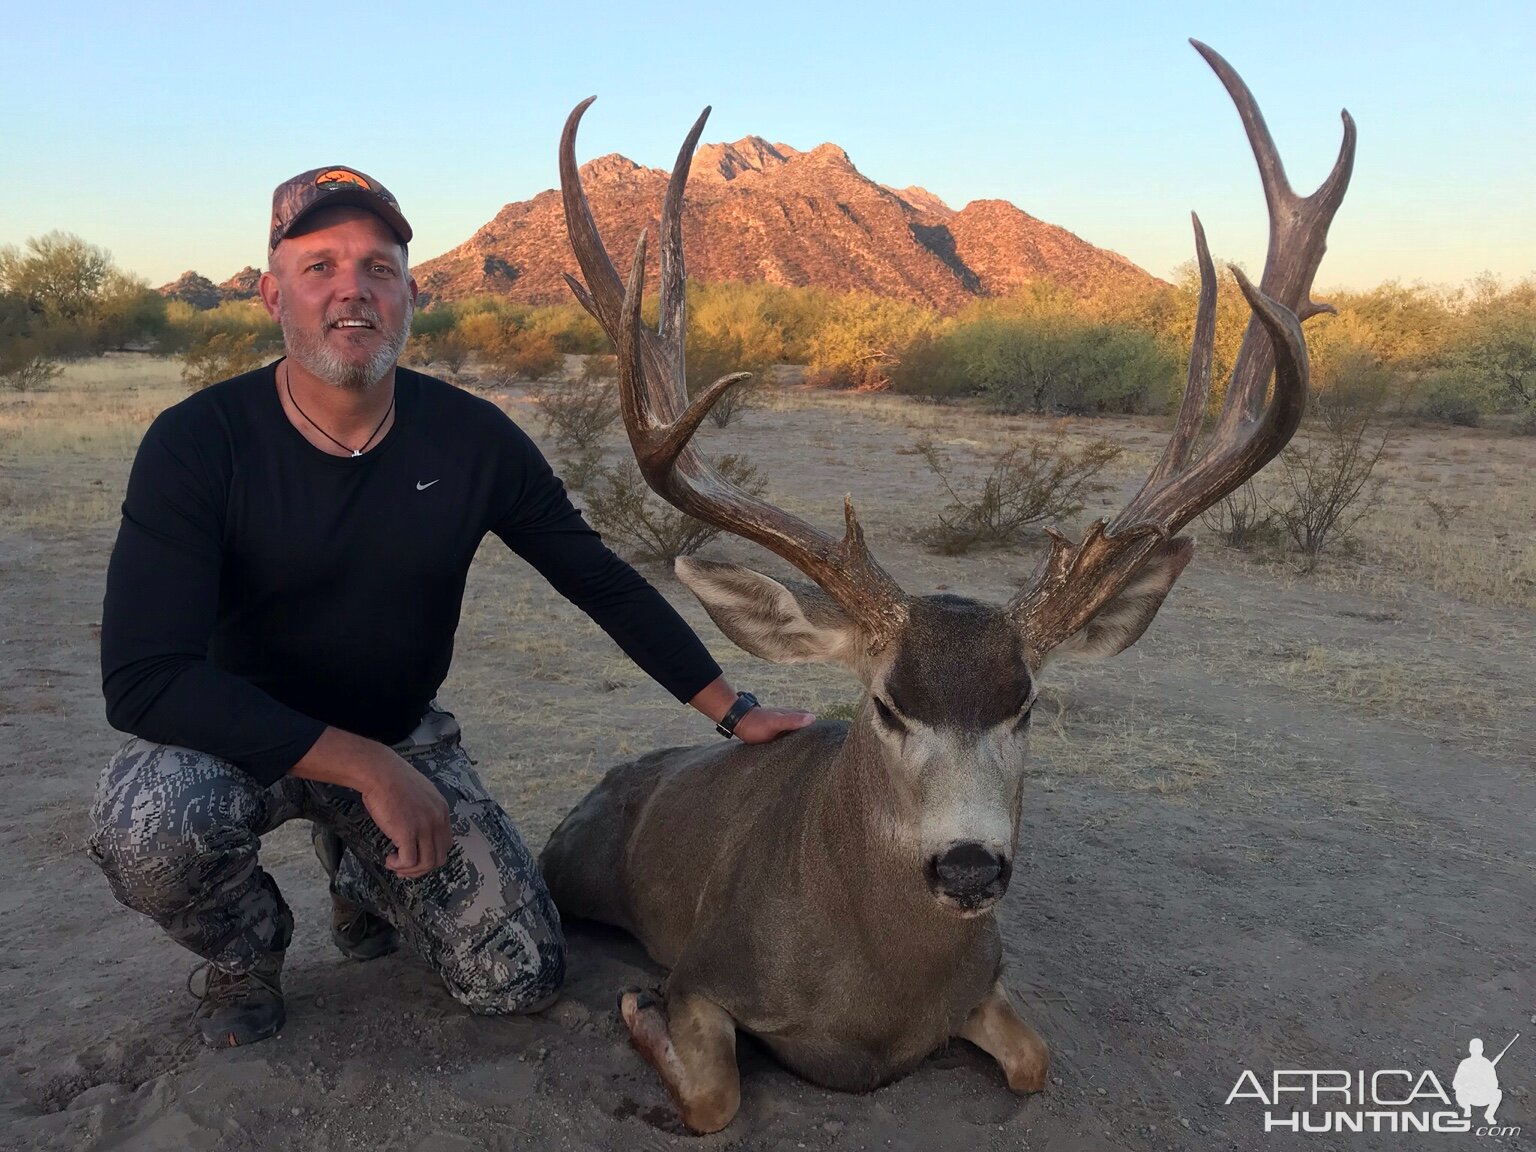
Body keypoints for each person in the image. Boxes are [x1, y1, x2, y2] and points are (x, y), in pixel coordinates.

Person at [88, 165, 813, 1049]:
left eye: (378, 267)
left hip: (398, 733)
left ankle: (360, 877)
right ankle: (245, 956)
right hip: (240, 741)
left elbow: (599, 579)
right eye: (320, 266)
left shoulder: (472, 439)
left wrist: (730, 708)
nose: (352, 289)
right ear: (272, 293)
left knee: (516, 977)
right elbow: (142, 681)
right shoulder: (198, 442)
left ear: (411, 294)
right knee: (148, 828)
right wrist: (365, 768)